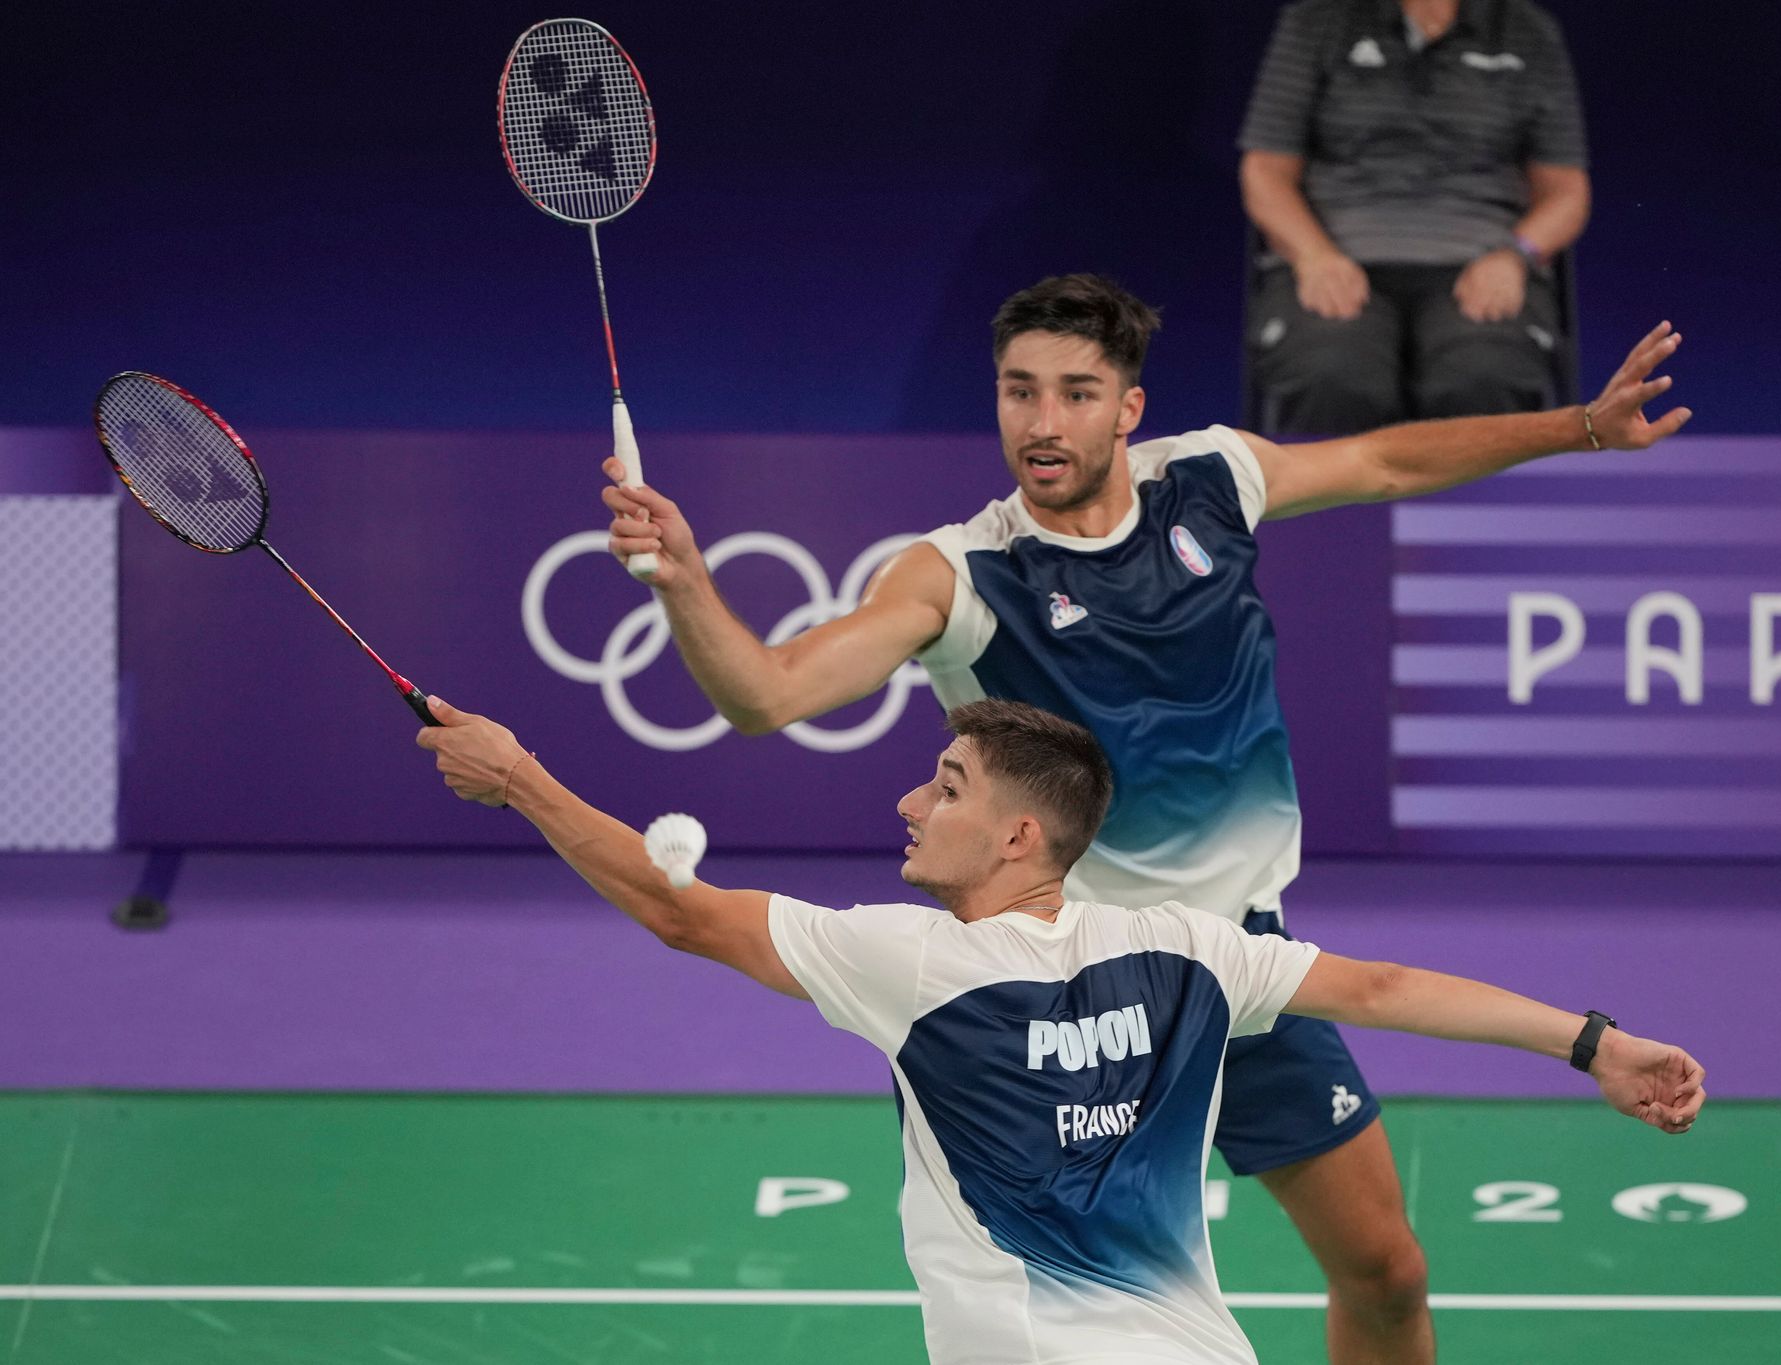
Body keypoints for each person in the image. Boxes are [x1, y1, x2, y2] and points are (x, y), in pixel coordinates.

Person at [600, 272, 1689, 1364]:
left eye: (1075, 393)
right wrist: (684, 581)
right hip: (1063, 993)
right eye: (1018, 391)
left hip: (1231, 962)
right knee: (1071, 1307)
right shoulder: (960, 574)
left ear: (1128, 407)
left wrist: (1582, 427)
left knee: (1386, 1271)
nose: (1041, 421)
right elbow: (770, 693)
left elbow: (1385, 461)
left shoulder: (1212, 478)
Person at [416, 693, 1706, 1365]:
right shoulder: (1188, 947)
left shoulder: (911, 963)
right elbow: (1378, 990)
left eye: (946, 786)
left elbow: (675, 909)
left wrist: (518, 778)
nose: (910, 801)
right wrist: (1591, 1043)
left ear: (1017, 835)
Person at [1239, 0, 1592, 434]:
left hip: (1483, 263)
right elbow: (1265, 171)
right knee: (1333, 372)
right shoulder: (1314, 21)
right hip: (1333, 258)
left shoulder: (1528, 30)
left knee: (1482, 375)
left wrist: (1514, 256)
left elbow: (1566, 192)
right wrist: (1313, 256)